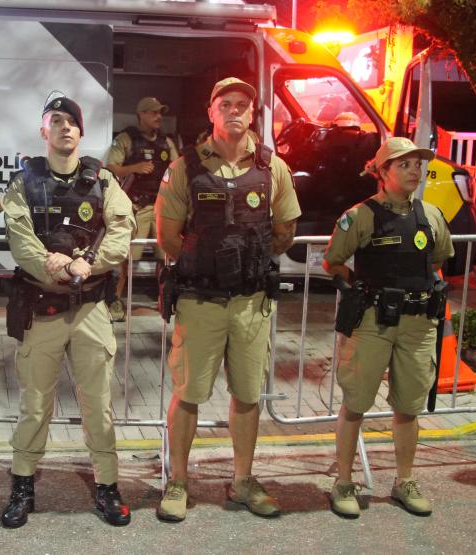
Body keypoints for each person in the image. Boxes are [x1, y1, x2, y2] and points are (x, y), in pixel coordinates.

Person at [155, 77, 301, 521]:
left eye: (243, 104)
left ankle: (242, 480)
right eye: (226, 103)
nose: (235, 110)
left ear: (252, 113)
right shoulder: (185, 167)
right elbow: (167, 235)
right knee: (188, 393)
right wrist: (208, 265)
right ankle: (178, 481)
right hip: (201, 302)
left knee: (248, 394)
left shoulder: (273, 167)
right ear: (211, 111)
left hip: (251, 304)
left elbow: (285, 230)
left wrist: (248, 264)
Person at [0, 96, 135, 528]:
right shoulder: (24, 183)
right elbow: (19, 237)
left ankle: (107, 487)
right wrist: (50, 263)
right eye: (55, 121)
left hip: (90, 307)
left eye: (72, 121)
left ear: (81, 131)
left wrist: (88, 265)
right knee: (35, 404)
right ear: (43, 131)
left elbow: (122, 229)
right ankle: (23, 485)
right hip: (41, 308)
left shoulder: (103, 180)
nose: (65, 128)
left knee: (98, 404)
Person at [323, 137, 453, 519]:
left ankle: (404, 481)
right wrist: (363, 291)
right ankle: (344, 481)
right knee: (356, 404)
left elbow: (439, 261)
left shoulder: (431, 215)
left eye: (418, 164)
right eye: (404, 164)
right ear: (382, 172)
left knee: (409, 407)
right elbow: (334, 262)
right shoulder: (359, 216)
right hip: (373, 322)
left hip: (418, 325)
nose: (415, 171)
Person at [105, 97, 179, 322]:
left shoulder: (167, 142)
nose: (158, 117)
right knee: (125, 260)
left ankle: (165, 301)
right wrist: (134, 168)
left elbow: (178, 168)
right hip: (137, 206)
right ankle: (115, 302)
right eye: (153, 113)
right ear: (141, 115)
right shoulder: (127, 139)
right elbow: (111, 166)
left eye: (160, 113)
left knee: (165, 260)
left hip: (162, 206)